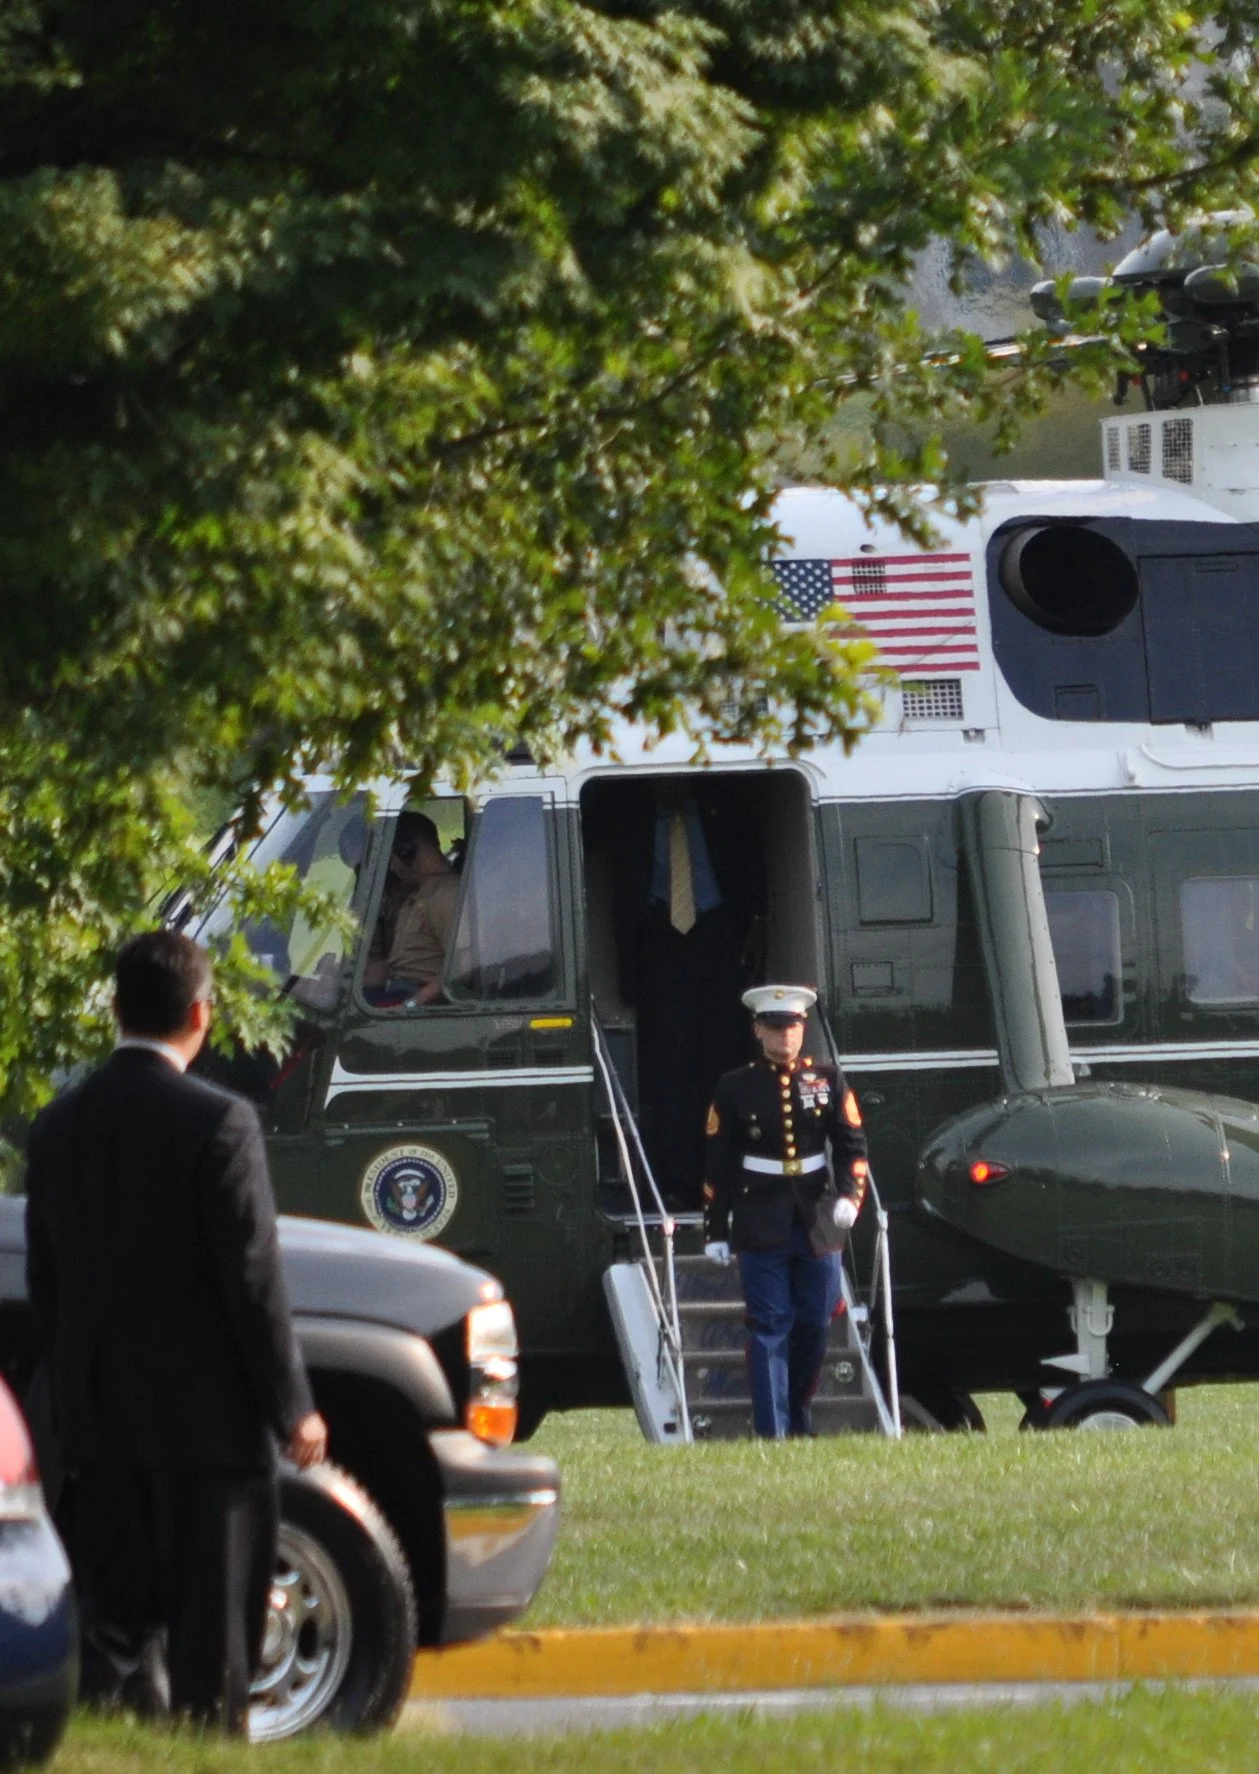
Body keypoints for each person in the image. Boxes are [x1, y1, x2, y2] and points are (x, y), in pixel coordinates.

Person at [25, 930, 328, 1732]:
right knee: (210, 1636)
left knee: (111, 1622)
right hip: (208, 1428)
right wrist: (292, 1404)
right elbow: (252, 1277)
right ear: (200, 1011)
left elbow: (45, 1284)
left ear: (116, 1011)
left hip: (99, 1422)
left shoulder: (57, 1129)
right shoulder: (220, 1123)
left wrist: (70, 1401)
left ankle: (101, 1742)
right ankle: (203, 1743)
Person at [703, 984, 868, 1439]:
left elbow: (852, 1145)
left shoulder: (827, 1079)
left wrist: (851, 1197)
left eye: (792, 1028)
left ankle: (797, 1410)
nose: (785, 1038)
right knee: (769, 1324)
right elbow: (717, 1160)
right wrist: (716, 1228)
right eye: (775, 1029)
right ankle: (772, 1431)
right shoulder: (736, 1086)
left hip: (817, 1218)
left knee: (816, 1321)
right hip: (759, 1216)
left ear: (803, 1029)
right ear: (759, 1031)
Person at [611, 778, 765, 1209]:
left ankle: (726, 1177)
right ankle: (677, 1182)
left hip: (719, 934)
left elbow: (753, 864)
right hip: (661, 940)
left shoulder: (725, 807)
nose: (671, 787)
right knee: (670, 1068)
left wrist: (757, 923)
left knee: (723, 1062)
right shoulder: (631, 815)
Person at [363, 811, 459, 1005]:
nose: (391, 869)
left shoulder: (446, 895)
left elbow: (462, 969)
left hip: (415, 1000)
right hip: (396, 990)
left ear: (406, 851)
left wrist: (411, 1005)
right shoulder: (419, 894)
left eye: (391, 859)